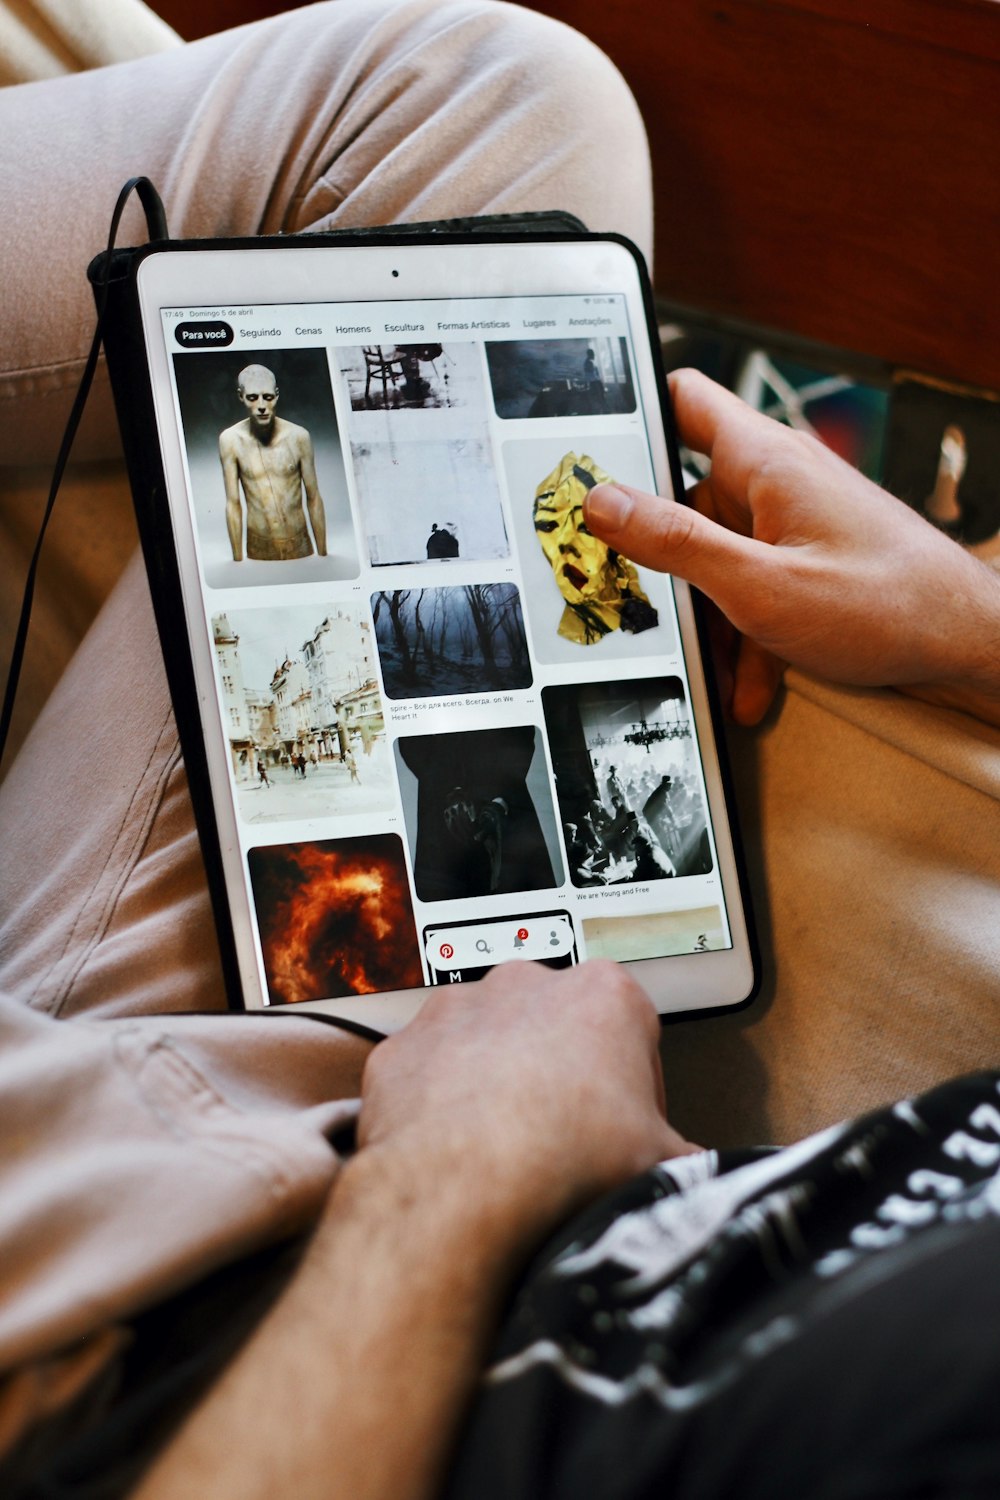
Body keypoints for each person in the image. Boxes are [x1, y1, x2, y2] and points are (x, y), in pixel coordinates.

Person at [0, 2, 998, 1494]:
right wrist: (971, 630)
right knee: (498, 103)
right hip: (314, 1133)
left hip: (189, 1354)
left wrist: (464, 1177)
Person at [220, 363, 328, 561]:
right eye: (252, 397)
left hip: (300, 544)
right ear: (240, 396)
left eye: (268, 397)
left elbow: (313, 496)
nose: (261, 405)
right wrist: (237, 559)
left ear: (276, 395)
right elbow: (233, 503)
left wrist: (323, 553)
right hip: (258, 546)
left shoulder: (299, 437)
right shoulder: (230, 440)